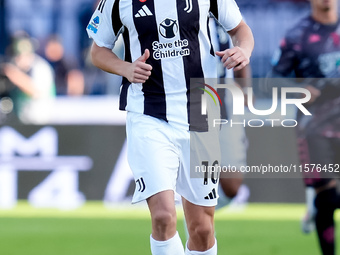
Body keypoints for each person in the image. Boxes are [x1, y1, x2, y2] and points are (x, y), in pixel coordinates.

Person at [87, 0, 254, 255]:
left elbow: (240, 30)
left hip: (200, 110)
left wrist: (244, 50)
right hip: (148, 112)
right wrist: (126, 68)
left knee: (202, 229)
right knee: (164, 216)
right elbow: (98, 50)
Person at [269, 0, 340, 254]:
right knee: (327, 198)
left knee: (327, 201)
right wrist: (298, 90)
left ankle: (316, 206)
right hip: (314, 128)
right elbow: (272, 81)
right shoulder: (297, 35)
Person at [2, 32, 56, 124]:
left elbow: (35, 91)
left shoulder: (40, 68)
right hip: (21, 122)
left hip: (40, 123)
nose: (16, 59)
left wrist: (12, 73)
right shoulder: (20, 69)